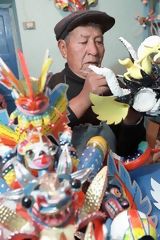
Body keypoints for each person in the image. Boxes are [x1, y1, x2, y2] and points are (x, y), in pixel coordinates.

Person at [47, 10, 146, 157]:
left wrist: (132, 118)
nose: (94, 51)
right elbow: (42, 141)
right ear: (63, 48)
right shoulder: (53, 87)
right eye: (83, 41)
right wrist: (84, 98)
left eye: (99, 42)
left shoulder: (115, 86)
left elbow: (128, 152)